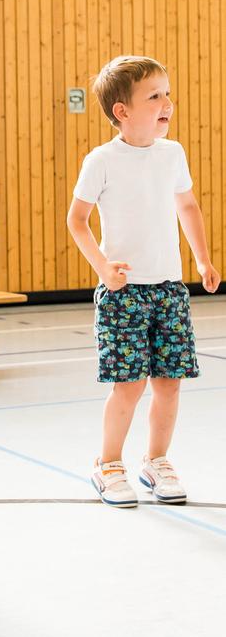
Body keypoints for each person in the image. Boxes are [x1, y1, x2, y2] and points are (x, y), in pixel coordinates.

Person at [67, 56, 219, 508]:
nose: (167, 103)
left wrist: (203, 259)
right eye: (155, 96)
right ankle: (108, 463)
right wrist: (102, 267)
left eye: (167, 93)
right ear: (122, 111)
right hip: (124, 293)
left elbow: (187, 207)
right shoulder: (102, 160)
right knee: (129, 385)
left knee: (170, 382)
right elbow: (77, 220)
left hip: (170, 289)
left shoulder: (172, 154)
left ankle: (157, 459)